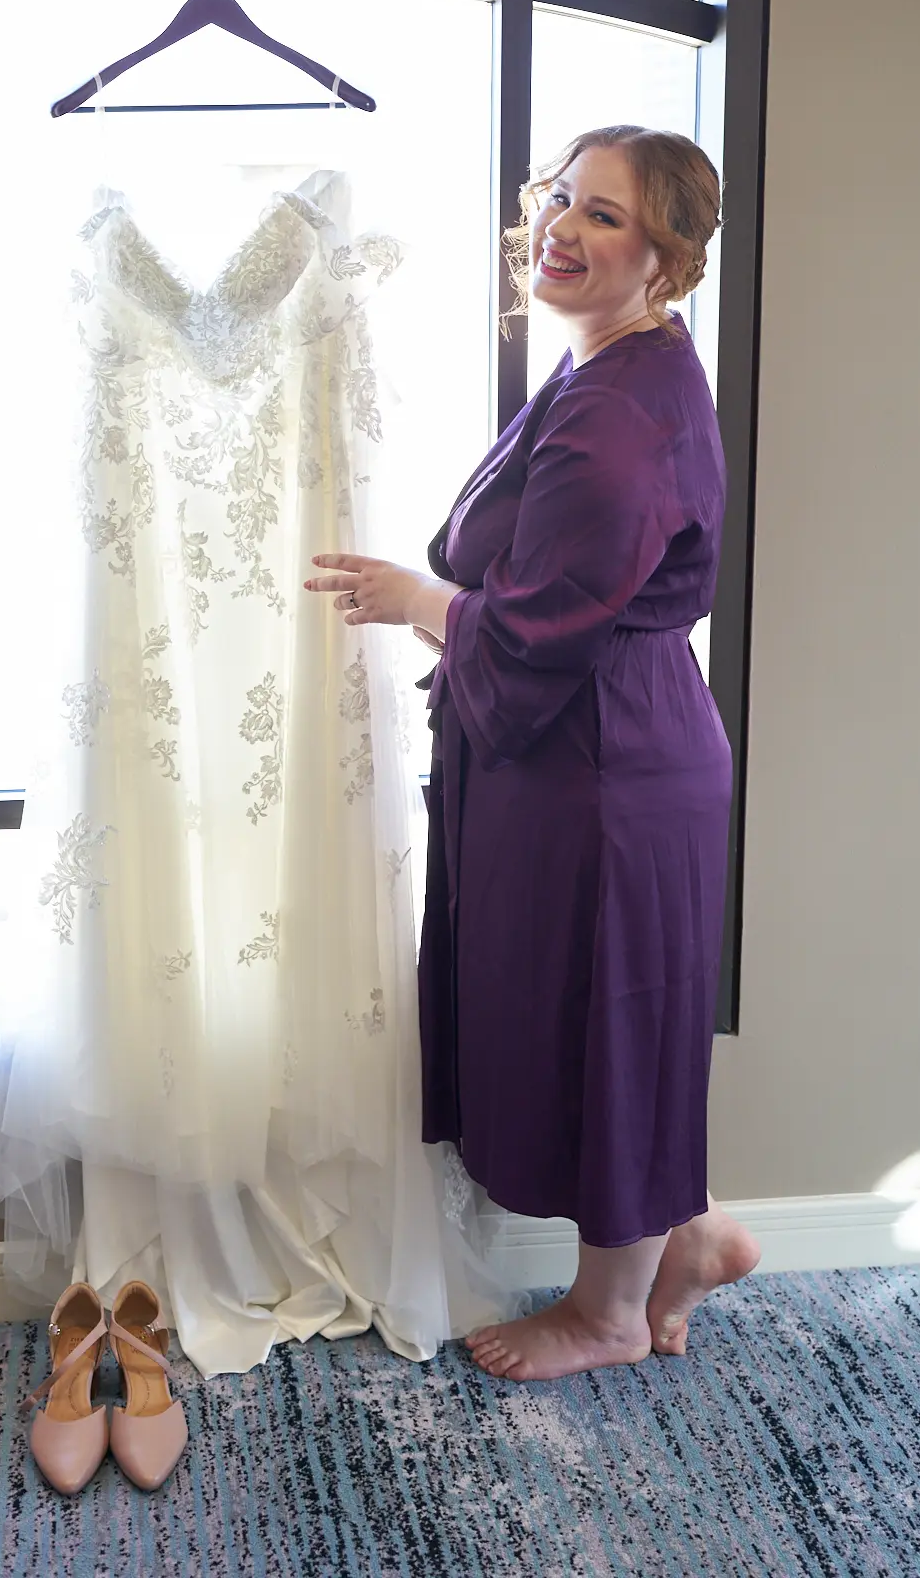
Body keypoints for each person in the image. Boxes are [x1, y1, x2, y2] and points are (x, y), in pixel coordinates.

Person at [305, 125, 760, 1382]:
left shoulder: (623, 412)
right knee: (605, 1011)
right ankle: (690, 1232)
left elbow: (546, 620)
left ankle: (608, 1313)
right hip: (599, 745)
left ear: (664, 255)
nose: (561, 226)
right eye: (559, 198)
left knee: (608, 1018)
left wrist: (411, 595)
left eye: (603, 215)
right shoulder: (615, 365)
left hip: (604, 760)